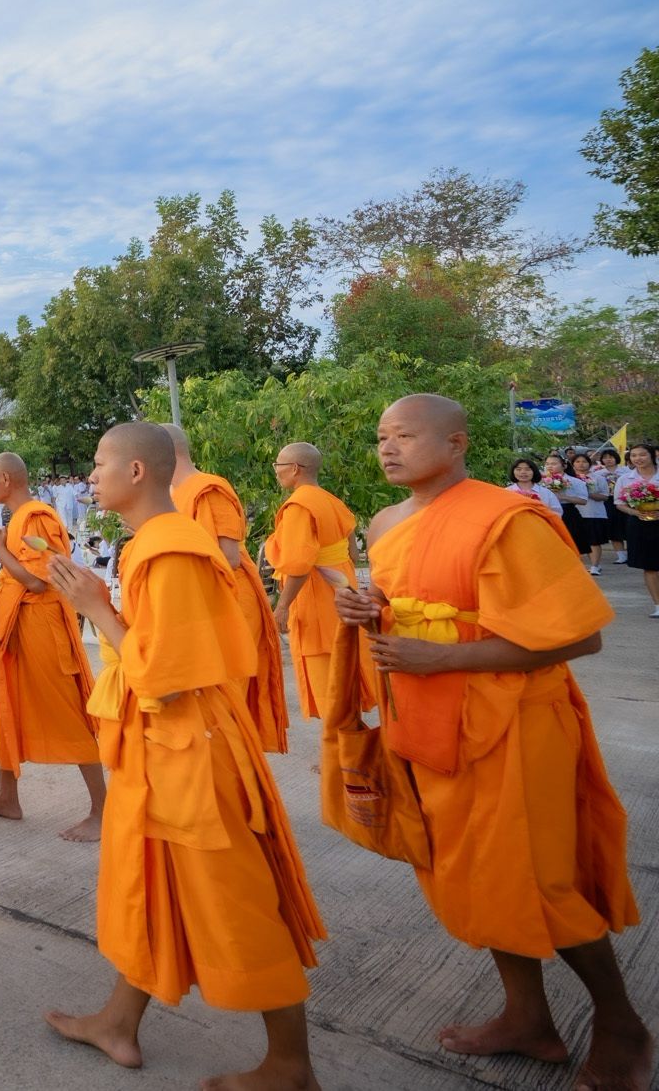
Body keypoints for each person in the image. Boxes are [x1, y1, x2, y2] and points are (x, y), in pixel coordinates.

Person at [335, 395, 649, 1091]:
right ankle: (527, 1016)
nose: (388, 447)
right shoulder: (386, 522)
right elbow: (407, 606)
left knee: (538, 879)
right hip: (426, 722)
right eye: (382, 436)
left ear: (456, 443)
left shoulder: (505, 519)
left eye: (405, 435)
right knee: (478, 877)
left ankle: (622, 1024)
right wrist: (365, 608)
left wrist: (442, 659)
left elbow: (579, 637)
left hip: (513, 724)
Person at [43, 423, 325, 1088]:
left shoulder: (169, 549)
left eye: (100, 462)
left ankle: (291, 1065)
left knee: (236, 902)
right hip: (164, 746)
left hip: (191, 750)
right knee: (156, 885)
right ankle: (118, 1022)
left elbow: (164, 675)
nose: (91, 475)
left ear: (137, 471)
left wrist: (94, 608)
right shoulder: (154, 541)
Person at [0, 452, 104, 839]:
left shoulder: (37, 517)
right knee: (6, 704)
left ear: (6, 479)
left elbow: (38, 581)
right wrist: (0, 543)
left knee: (67, 711)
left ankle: (102, 808)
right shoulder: (19, 518)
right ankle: (7, 797)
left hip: (41, 627)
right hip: (16, 625)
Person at [166, 425, 290, 754]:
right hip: (204, 600)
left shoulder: (207, 489)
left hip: (230, 598)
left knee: (227, 692)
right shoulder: (175, 494)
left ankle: (239, 770)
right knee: (209, 697)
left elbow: (228, 557)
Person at [263, 442, 356, 722]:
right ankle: (348, 740)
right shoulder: (333, 501)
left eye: (278, 465)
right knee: (344, 678)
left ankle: (340, 746)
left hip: (317, 601)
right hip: (343, 592)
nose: (275, 471)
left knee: (328, 684)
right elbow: (352, 553)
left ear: (294, 469)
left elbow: (299, 565)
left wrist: (282, 607)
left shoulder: (299, 507)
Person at [613, 443, 659, 617]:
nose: (638, 458)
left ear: (652, 455)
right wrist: (636, 512)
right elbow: (619, 503)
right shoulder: (625, 479)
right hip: (640, 525)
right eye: (634, 455)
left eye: (642, 454)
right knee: (650, 565)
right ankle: (658, 605)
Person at [571, 454, 610, 575]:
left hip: (593, 513)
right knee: (575, 541)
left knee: (593, 541)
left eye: (584, 461)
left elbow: (605, 496)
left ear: (589, 463)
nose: (581, 464)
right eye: (577, 461)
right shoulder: (568, 479)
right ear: (573, 464)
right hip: (575, 513)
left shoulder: (598, 478)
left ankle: (595, 566)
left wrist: (587, 492)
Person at [594, 446, 628, 564]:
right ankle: (621, 555)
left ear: (616, 458)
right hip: (607, 501)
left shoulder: (626, 471)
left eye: (611, 457)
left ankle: (633, 553)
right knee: (613, 528)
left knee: (627, 526)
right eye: (605, 458)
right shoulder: (598, 473)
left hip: (625, 501)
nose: (608, 460)